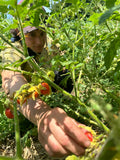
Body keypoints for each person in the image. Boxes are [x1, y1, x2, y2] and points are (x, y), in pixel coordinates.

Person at [1, 25, 91, 158]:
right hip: (29, 99)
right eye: (31, 35)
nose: (39, 42)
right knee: (20, 117)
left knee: (64, 74)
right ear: (19, 33)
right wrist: (43, 115)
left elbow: (63, 61)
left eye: (42, 34)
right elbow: (11, 80)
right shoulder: (12, 49)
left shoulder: (49, 44)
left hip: (43, 89)